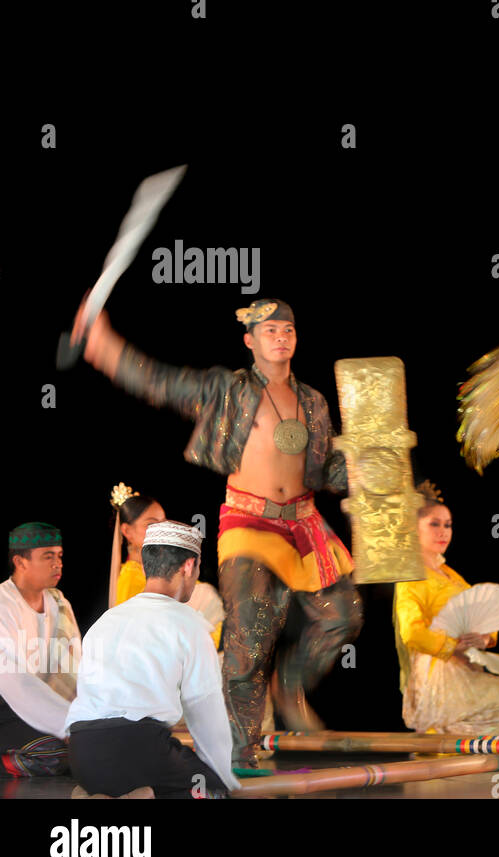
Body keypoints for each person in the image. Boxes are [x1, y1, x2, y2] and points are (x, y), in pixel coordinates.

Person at [74, 296, 362, 768]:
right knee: (250, 633)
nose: (281, 337)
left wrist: (371, 472)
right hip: (249, 521)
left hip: (302, 519)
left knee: (344, 613)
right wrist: (104, 346)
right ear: (249, 341)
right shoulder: (227, 389)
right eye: (270, 331)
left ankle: (289, 683)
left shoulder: (313, 401)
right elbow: (160, 381)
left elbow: (328, 468)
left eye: (288, 329)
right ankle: (239, 745)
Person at [66, 520, 240, 799]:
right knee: (211, 790)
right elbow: (206, 717)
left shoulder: (104, 621)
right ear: (188, 566)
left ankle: (100, 794)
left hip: (82, 755)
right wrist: (222, 778)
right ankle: (143, 795)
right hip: (138, 751)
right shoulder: (190, 624)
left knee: (157, 765)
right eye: (196, 570)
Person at [393, 483, 499, 735]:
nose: (443, 532)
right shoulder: (412, 578)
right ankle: (443, 746)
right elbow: (412, 633)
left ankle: (454, 751)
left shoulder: (451, 576)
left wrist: (484, 638)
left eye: (448, 525)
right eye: (434, 524)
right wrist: (452, 645)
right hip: (439, 674)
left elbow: (476, 617)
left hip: (466, 667)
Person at [0, 522, 80, 778]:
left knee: (101, 741)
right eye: (48, 557)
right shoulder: (3, 603)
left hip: (48, 706)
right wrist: (68, 724)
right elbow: (14, 681)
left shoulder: (59, 602)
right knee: (53, 752)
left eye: (59, 556)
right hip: (7, 708)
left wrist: (87, 717)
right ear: (20, 562)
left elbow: (77, 665)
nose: (58, 564)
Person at [108, 483, 222, 649]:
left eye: (163, 523)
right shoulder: (131, 578)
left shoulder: (164, 572)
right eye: (151, 524)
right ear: (127, 531)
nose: (160, 530)